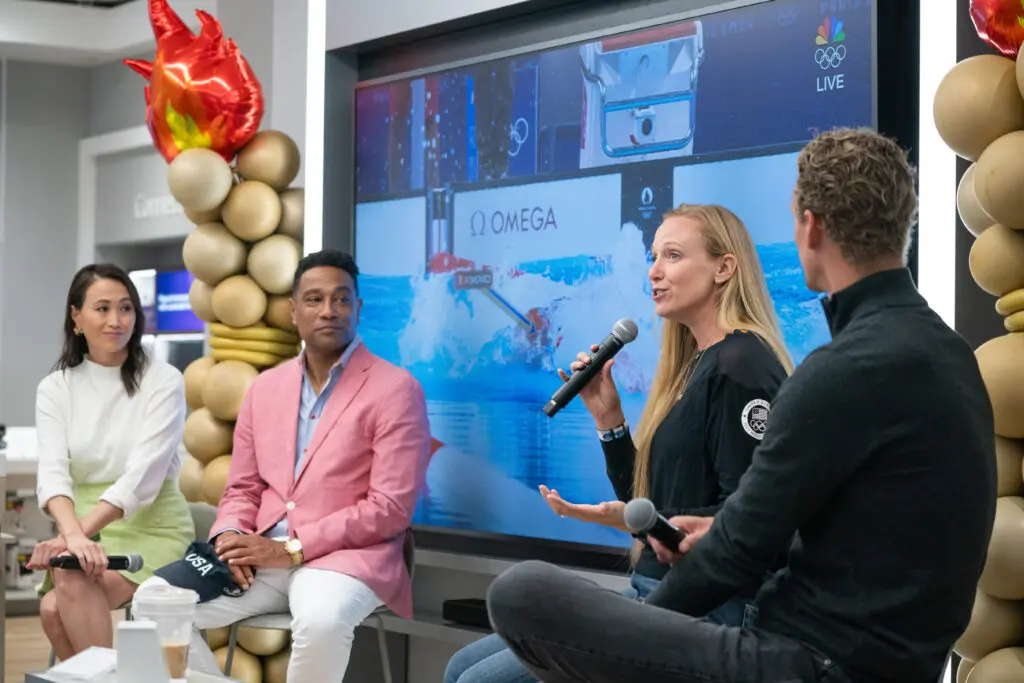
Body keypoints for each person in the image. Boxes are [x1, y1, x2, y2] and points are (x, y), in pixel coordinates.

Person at [484, 127, 997, 683]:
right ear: (904, 224)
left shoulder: (838, 370)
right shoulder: (952, 357)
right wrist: (712, 519)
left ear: (811, 226)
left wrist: (621, 638)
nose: (654, 270)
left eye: (672, 255)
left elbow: (738, 554)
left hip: (803, 658)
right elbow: (850, 522)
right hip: (880, 658)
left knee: (520, 591)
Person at [445, 204, 794, 683]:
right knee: (460, 665)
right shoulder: (693, 365)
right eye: (653, 257)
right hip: (655, 591)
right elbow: (646, 506)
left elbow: (754, 519)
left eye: (672, 256)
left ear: (724, 268)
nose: (654, 271)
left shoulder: (741, 366)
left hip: (706, 609)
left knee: (477, 681)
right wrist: (609, 418)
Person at [136, 249, 431, 682]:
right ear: (294, 311)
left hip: (346, 558)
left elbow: (389, 508)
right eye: (313, 299)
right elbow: (242, 488)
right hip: (261, 556)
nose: (328, 310)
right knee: (152, 602)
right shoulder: (264, 388)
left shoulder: (397, 389)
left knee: (322, 621)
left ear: (358, 308)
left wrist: (291, 548)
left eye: (341, 298)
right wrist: (231, 537)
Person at [28, 263, 194, 661]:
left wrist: (73, 539)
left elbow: (143, 476)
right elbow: (53, 474)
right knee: (56, 603)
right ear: (76, 317)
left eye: (126, 308)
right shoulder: (56, 387)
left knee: (60, 595)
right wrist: (75, 537)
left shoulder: (164, 380)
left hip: (153, 528)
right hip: (84, 531)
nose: (116, 320)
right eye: (102, 308)